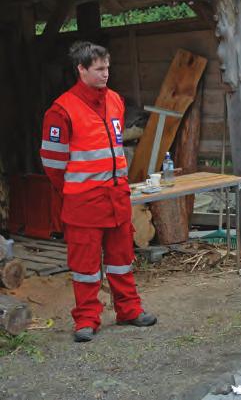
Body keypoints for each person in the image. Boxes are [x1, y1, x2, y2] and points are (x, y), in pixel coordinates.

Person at [39, 41, 156, 342]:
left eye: (107, 68)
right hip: (83, 204)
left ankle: (129, 310)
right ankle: (87, 319)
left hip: (116, 199)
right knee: (86, 268)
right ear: (81, 70)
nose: (106, 74)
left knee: (121, 260)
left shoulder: (115, 100)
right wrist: (75, 189)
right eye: (99, 69)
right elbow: (53, 164)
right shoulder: (61, 109)